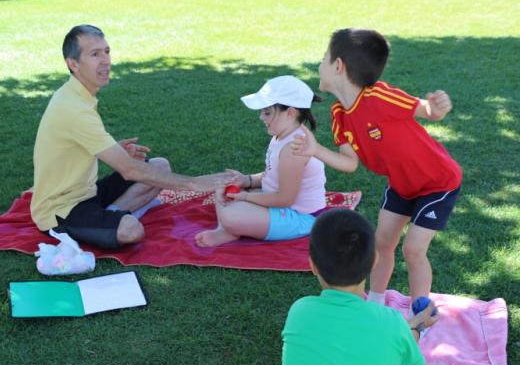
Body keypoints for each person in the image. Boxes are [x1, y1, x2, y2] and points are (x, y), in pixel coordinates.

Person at [292, 28, 462, 307]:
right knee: (382, 243)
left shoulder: (380, 97)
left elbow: (428, 111)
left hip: (439, 183)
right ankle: (375, 303)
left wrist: (437, 106)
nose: (318, 64)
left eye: (323, 58)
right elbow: (349, 163)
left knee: (413, 249)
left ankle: (422, 316)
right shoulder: (340, 116)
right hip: (402, 185)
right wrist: (316, 150)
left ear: (337, 66)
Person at [31, 25, 236, 249]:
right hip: (62, 209)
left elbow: (74, 147)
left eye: (106, 51)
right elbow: (129, 170)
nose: (105, 60)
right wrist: (194, 184)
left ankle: (110, 215)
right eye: (95, 54)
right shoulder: (74, 108)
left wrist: (116, 149)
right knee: (131, 230)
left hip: (87, 192)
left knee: (160, 166)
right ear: (73, 64)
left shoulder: (76, 95)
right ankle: (115, 219)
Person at [279, 208, 457, 365]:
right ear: (374, 261)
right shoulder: (391, 322)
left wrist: (410, 327)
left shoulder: (300, 310)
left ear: (313, 266)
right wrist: (416, 329)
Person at [194, 76, 327, 247]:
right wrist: (246, 180)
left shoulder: (294, 149)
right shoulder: (281, 136)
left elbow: (285, 199)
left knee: (231, 214)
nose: (261, 117)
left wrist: (246, 196)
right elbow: (271, 175)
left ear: (291, 113)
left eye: (267, 112)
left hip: (300, 217)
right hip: (278, 204)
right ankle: (227, 229)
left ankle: (228, 228)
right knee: (224, 186)